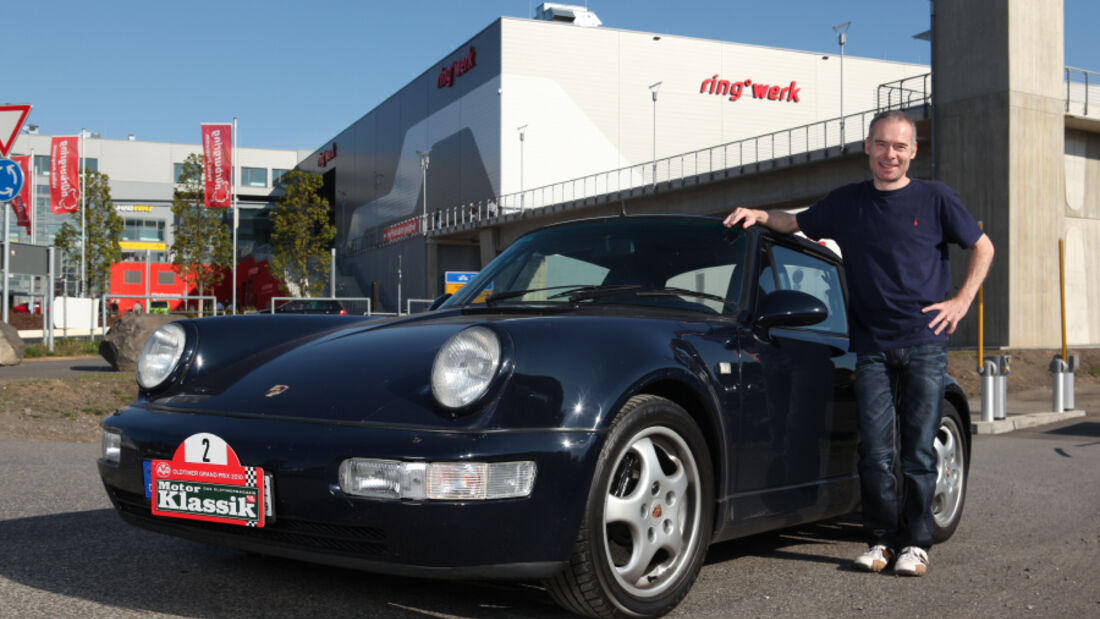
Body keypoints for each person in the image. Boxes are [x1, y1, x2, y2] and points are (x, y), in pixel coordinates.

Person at [724, 109, 994, 577]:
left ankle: (916, 543)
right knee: (873, 449)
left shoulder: (936, 198)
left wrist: (961, 302)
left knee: (917, 449)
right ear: (867, 147)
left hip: (924, 341)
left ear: (912, 151)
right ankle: (881, 540)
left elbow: (983, 246)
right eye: (882, 144)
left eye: (900, 146)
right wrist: (760, 213)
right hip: (871, 346)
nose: (890, 154)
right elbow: (795, 222)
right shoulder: (847, 203)